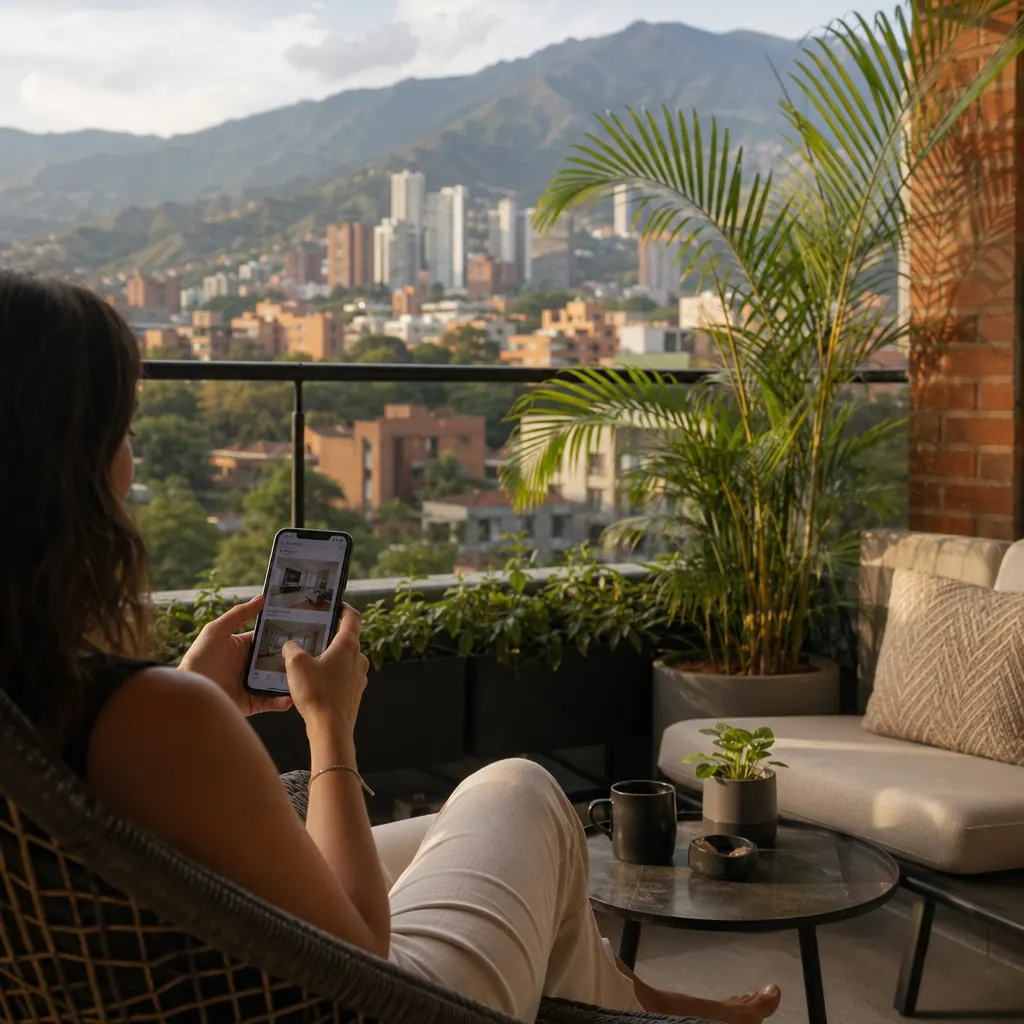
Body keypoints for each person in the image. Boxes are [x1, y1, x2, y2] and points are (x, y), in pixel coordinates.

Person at [0, 272, 781, 1024]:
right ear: (70, 471)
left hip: (199, 980)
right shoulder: (154, 717)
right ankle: (634, 1004)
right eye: (123, 430)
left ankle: (633, 1002)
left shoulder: (49, 703)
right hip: (371, 1001)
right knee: (520, 793)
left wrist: (184, 692)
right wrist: (330, 723)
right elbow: (360, 956)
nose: (131, 461)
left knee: (469, 838)